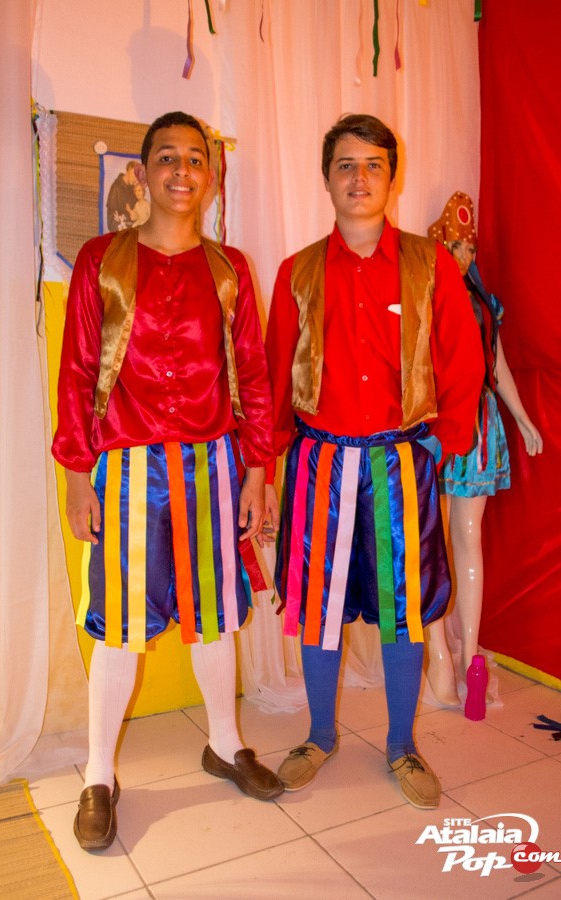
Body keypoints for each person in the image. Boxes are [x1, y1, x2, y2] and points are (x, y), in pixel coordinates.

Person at [53, 110, 283, 852]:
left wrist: (257, 470)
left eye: (195, 158)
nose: (182, 171)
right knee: (120, 623)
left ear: (210, 176)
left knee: (215, 614)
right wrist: (77, 474)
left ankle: (224, 743)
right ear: (144, 170)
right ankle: (98, 775)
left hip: (212, 466)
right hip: (127, 469)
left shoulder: (229, 268)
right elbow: (78, 371)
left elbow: (254, 374)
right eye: (167, 157)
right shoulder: (102, 259)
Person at [264, 114, 483, 809]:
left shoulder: (429, 264)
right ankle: (318, 735)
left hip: (398, 464)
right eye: (345, 165)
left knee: (403, 609)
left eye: (373, 165)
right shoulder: (297, 272)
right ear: (326, 178)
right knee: (318, 606)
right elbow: (274, 374)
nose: (359, 178)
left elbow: (463, 360)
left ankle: (402, 744)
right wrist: (265, 470)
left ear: (392, 176)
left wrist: (443, 443)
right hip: (319, 464)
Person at [424, 192, 543, 706]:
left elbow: (497, 366)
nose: (463, 255)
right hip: (434, 427)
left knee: (460, 539)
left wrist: (523, 418)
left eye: (469, 247)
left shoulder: (480, 301)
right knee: (433, 542)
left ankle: (465, 657)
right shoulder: (426, 294)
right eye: (454, 245)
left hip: (475, 424)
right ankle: (443, 657)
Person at [106, 159, 139, 231]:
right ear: (129, 169)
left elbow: (137, 211)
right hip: (120, 229)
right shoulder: (116, 187)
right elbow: (111, 216)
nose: (136, 179)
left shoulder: (134, 190)